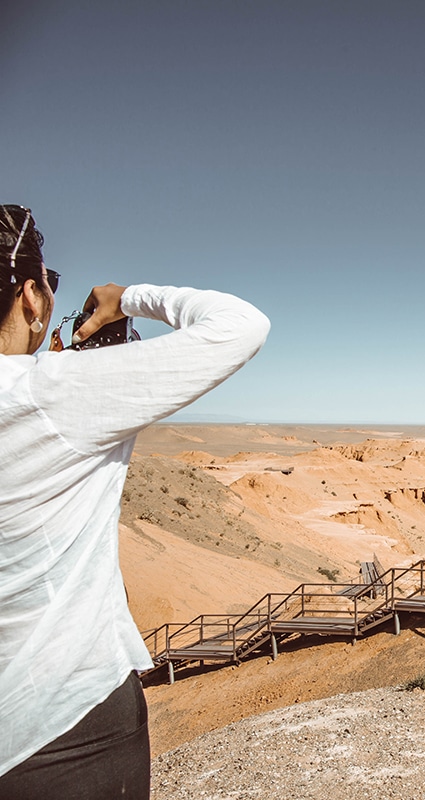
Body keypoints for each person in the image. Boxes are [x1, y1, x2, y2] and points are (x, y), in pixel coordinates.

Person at [0, 205, 270, 798]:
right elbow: (239, 324)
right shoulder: (53, 392)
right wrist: (127, 298)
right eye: (50, 284)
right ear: (30, 296)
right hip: (64, 725)